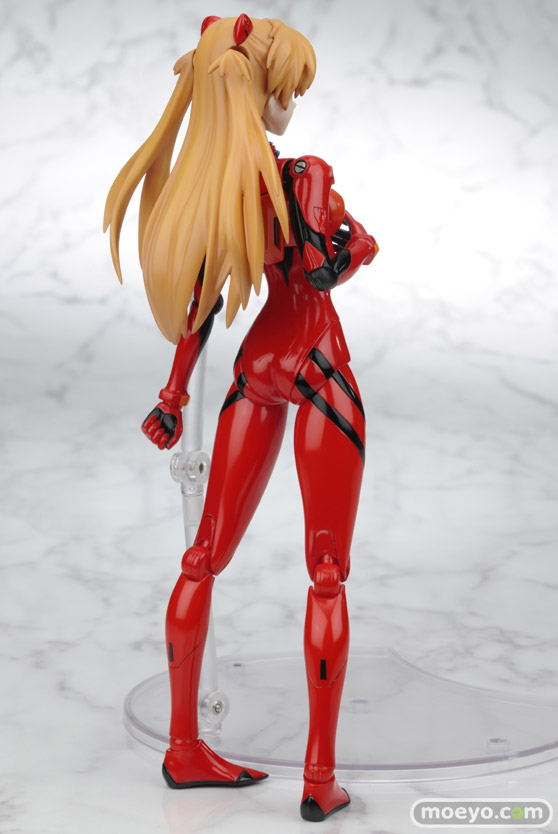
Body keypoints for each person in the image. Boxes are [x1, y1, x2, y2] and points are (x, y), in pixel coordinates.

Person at [104, 14, 378, 822]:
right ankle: (319, 778)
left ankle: (183, 747)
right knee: (325, 573)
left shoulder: (228, 191)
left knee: (201, 558)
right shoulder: (304, 173)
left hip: (255, 371)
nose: (293, 103)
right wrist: (358, 246)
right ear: (263, 89)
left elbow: (201, 301)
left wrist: (173, 394)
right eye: (288, 88)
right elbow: (323, 267)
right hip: (318, 368)